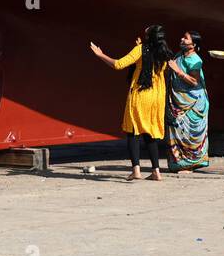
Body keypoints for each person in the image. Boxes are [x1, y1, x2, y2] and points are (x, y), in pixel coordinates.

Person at [90, 24, 171, 181]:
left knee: (133, 131)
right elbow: (151, 63)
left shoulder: (141, 49)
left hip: (141, 95)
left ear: (148, 37)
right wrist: (139, 47)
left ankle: (136, 170)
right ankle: (156, 171)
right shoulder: (164, 52)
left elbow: (118, 64)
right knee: (150, 133)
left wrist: (100, 54)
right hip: (156, 97)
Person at [166, 31, 209, 172]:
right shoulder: (180, 54)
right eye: (183, 36)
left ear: (193, 45)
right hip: (179, 102)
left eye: (186, 38)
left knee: (190, 133)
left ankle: (191, 163)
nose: (182, 39)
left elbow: (194, 81)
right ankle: (180, 163)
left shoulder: (195, 60)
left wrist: (178, 71)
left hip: (193, 103)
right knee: (178, 131)